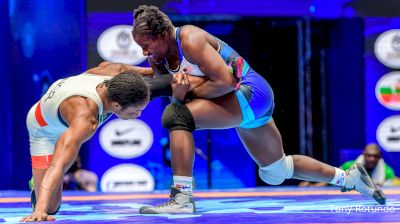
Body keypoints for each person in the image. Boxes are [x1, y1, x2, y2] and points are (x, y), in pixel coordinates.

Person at [131, 5, 386, 214]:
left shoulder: (189, 38)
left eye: (147, 45)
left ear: (163, 34)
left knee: (176, 116)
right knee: (276, 171)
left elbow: (226, 82)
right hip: (238, 102)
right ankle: (350, 178)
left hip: (251, 92)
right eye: (140, 47)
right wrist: (176, 94)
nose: (144, 52)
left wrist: (183, 94)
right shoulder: (159, 57)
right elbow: (175, 91)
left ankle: (182, 198)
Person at [20, 61, 205, 222]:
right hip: (42, 128)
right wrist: (40, 210)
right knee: (51, 207)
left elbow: (126, 68)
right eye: (135, 111)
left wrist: (171, 74)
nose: (138, 115)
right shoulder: (85, 119)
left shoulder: (115, 75)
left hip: (62, 105)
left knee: (165, 82)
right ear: (116, 106)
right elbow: (57, 165)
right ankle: (36, 186)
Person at [299, 143, 398, 187]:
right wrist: (312, 185)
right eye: (369, 155)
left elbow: (393, 184)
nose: (371, 159)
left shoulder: (388, 171)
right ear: (363, 155)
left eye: (375, 156)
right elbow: (331, 179)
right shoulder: (348, 165)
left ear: (380, 157)